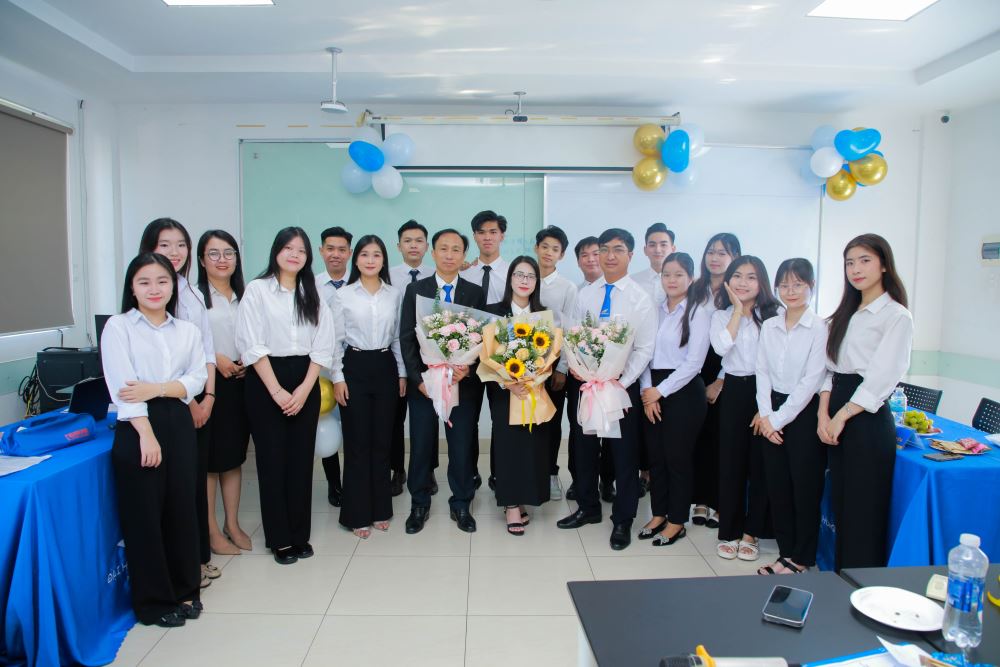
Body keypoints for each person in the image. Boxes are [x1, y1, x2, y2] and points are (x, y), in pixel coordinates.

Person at [102, 252, 207, 627]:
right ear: (132, 288)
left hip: (177, 421)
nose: (154, 289)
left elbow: (196, 380)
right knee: (145, 515)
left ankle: (186, 589)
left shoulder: (187, 331)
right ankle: (154, 602)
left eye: (162, 281)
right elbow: (125, 388)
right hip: (138, 426)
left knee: (182, 509)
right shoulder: (119, 327)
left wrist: (157, 387)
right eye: (144, 282)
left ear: (173, 286)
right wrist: (146, 434)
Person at [237, 227, 334, 565]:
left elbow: (323, 344)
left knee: (300, 461)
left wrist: (305, 389)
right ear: (276, 251)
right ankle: (279, 538)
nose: (294, 255)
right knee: (272, 461)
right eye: (288, 248)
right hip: (266, 378)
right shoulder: (258, 290)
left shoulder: (313, 292)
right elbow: (251, 344)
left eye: (301, 250)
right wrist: (277, 391)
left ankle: (299, 534)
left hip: (305, 378)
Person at [557, 228, 656, 551]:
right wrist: (577, 368)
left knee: (623, 455)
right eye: (604, 249)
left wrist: (620, 383)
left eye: (618, 249)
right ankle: (587, 507)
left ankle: (623, 519)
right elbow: (573, 334)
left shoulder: (640, 298)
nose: (609, 256)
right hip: (586, 385)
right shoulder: (585, 294)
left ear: (630, 255)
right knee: (584, 449)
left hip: (620, 387)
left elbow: (644, 348)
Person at [818, 234, 912, 570]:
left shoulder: (895, 315)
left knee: (863, 512)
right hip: (837, 410)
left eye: (865, 260)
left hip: (866, 420)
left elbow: (882, 378)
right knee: (842, 507)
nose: (855, 269)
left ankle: (861, 585)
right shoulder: (846, 313)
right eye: (849, 262)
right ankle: (840, 579)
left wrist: (841, 416)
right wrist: (823, 414)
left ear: (884, 264)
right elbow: (830, 371)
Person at [139, 218, 218, 588]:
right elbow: (167, 365)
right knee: (174, 490)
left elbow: (205, 351)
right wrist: (191, 402)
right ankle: (182, 565)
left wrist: (209, 396)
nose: (175, 252)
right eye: (165, 244)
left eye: (181, 244)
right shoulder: (149, 296)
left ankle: (198, 558)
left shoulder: (191, 292)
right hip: (171, 403)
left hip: (198, 394)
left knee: (192, 484)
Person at [400, 229, 487, 535]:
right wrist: (418, 380)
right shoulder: (416, 290)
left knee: (461, 446)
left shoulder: (475, 292)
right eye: (444, 249)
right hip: (424, 385)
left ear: (464, 255)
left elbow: (483, 338)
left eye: (456, 249)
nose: (449, 255)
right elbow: (407, 338)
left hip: (462, 384)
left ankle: (461, 503)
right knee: (421, 445)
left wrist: (468, 370)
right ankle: (419, 503)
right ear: (433, 252)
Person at [754, 258, 828, 575]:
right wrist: (765, 416)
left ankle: (803, 557)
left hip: (803, 411)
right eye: (784, 285)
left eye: (798, 284)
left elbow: (811, 381)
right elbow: (761, 371)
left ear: (812, 286)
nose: (791, 290)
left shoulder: (820, 327)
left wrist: (776, 420)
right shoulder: (769, 325)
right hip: (771, 409)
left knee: (804, 487)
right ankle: (785, 553)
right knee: (779, 487)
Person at [332, 235, 407, 538]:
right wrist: (337, 377)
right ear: (356, 259)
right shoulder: (343, 295)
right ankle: (356, 513)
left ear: (384, 260)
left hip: (386, 366)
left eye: (376, 255)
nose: (371, 260)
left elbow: (398, 337)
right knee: (357, 443)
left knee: (382, 442)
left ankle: (380, 509)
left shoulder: (394, 294)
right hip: (354, 366)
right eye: (365, 254)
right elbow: (335, 341)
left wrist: (401, 373)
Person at [639, 252, 711, 547]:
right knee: (655, 457)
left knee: (677, 458)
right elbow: (643, 353)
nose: (671, 280)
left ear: (691, 278)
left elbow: (694, 363)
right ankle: (659, 514)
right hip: (652, 389)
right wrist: (648, 393)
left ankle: (677, 520)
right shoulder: (653, 310)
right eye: (667, 274)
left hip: (684, 391)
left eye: (679, 274)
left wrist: (660, 391)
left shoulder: (697, 313)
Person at [711, 255, 780, 562]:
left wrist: (765, 405)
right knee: (731, 463)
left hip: (768, 391)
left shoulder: (775, 315)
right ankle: (729, 531)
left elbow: (778, 361)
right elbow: (721, 348)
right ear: (728, 281)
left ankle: (752, 533)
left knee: (761, 464)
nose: (743, 282)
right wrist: (738, 311)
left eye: (751, 277)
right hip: (735, 391)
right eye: (737, 276)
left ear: (761, 282)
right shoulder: (721, 315)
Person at [485, 257, 554, 535]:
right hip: (504, 391)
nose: (524, 280)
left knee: (530, 444)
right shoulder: (494, 312)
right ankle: (511, 504)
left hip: (533, 390)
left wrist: (533, 378)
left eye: (530, 276)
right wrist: (508, 383)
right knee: (508, 445)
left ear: (536, 282)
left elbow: (550, 354)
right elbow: (486, 355)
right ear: (510, 279)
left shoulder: (543, 315)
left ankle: (523, 496)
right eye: (519, 274)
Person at [195, 230, 252, 556]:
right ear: (202, 260)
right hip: (209, 385)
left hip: (242, 382)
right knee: (210, 461)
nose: (222, 259)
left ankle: (232, 523)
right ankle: (211, 530)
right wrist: (217, 359)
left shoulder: (246, 295)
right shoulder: (193, 297)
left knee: (233, 457)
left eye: (229, 253)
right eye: (213, 253)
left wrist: (245, 360)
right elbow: (190, 339)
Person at [689, 233, 741, 529]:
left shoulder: (737, 292)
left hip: (725, 369)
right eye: (711, 251)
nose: (715, 258)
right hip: (694, 369)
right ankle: (700, 499)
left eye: (723, 253)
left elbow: (739, 341)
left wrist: (721, 380)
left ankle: (722, 502)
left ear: (735, 258)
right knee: (698, 437)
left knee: (723, 440)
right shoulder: (695, 289)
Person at [388, 220, 438, 497]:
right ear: (399, 246)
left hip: (428, 360)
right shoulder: (387, 275)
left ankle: (428, 469)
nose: (413, 245)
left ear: (427, 246)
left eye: (419, 240)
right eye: (407, 241)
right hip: (394, 357)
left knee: (427, 420)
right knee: (395, 419)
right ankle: (397, 469)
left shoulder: (436, 275)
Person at [461, 211, 510, 490]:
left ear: (502, 235)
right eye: (481, 232)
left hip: (502, 358)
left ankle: (499, 475)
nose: (487, 237)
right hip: (468, 357)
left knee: (500, 420)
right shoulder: (463, 272)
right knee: (467, 419)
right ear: (475, 236)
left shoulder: (514, 272)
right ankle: (469, 474)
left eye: (493, 232)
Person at [568, 235, 613, 504]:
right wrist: (576, 366)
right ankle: (581, 482)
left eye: (596, 253)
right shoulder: (578, 293)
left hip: (612, 376)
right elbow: (571, 333)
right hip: (582, 375)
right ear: (578, 261)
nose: (591, 259)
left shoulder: (618, 291)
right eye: (584, 255)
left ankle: (607, 480)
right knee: (582, 431)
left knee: (609, 431)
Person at [534, 226, 577, 501]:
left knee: (551, 421)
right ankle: (530, 473)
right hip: (523, 362)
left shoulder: (567, 287)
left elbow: (569, 330)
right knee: (527, 420)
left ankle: (550, 473)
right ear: (536, 248)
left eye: (555, 249)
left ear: (561, 255)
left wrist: (561, 368)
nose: (549, 253)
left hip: (553, 364)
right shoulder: (524, 277)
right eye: (545, 247)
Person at [316, 227, 351, 507]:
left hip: (356, 364)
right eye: (330, 248)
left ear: (349, 253)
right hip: (323, 367)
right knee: (325, 421)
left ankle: (353, 481)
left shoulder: (361, 283)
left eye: (341, 249)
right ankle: (334, 483)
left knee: (354, 427)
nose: (335, 254)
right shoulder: (310, 286)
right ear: (321, 251)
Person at [631, 222, 675, 306]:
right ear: (645, 250)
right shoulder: (633, 282)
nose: (658, 250)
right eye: (652, 245)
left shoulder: (682, 282)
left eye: (663, 245)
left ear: (673, 249)